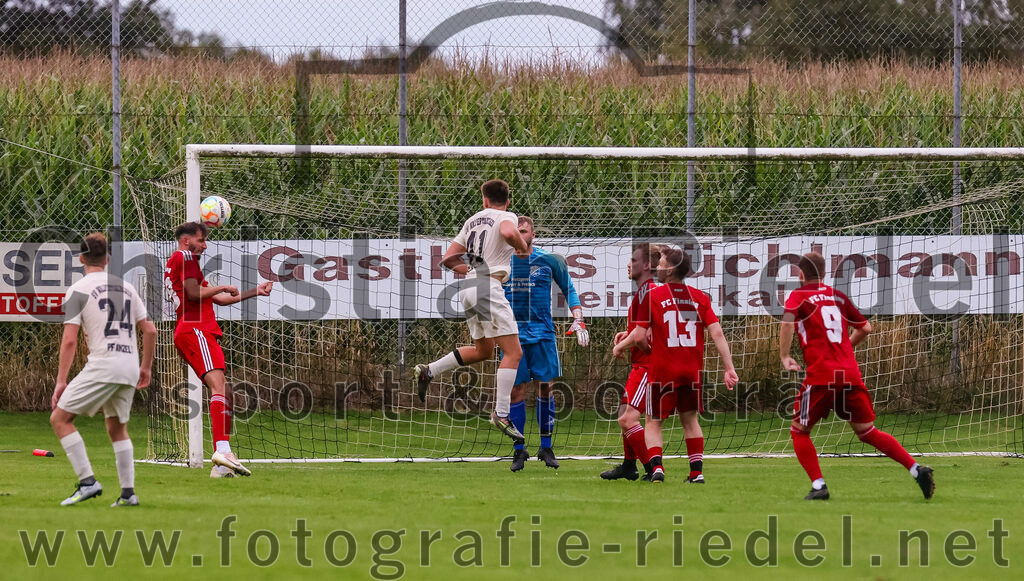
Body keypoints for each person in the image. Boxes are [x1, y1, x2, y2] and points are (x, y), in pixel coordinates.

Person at [780, 252, 935, 500]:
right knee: (867, 431)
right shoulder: (837, 295)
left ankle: (819, 486)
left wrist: (785, 356)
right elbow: (865, 327)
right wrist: (844, 349)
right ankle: (916, 469)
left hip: (822, 374)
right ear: (824, 274)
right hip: (849, 373)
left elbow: (787, 322)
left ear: (800, 275)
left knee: (799, 431)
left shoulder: (797, 296)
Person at [414, 179, 530, 443]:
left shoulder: (473, 220)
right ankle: (501, 413)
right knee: (514, 352)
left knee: (484, 351)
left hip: (469, 287)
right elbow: (511, 234)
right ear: (507, 201)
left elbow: (447, 259)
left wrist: (474, 271)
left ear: (485, 200)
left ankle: (429, 370)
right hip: (488, 287)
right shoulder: (506, 215)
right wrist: (522, 248)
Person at [615, 246, 738, 483]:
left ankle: (657, 468)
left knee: (654, 421)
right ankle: (696, 473)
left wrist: (652, 351)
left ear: (670, 270)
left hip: (663, 370)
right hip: (691, 371)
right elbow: (718, 334)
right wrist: (729, 368)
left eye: (660, 263)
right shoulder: (701, 297)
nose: (657, 267)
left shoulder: (653, 296)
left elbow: (640, 337)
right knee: (690, 420)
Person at [51, 232, 157, 506]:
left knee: (60, 419)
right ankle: (128, 494)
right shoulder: (126, 287)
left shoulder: (78, 289)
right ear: (108, 259)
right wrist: (145, 367)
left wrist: (61, 381)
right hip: (129, 366)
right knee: (117, 429)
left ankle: (88, 481)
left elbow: (70, 340)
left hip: (104, 365)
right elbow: (150, 330)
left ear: (81, 258)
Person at [164, 221, 273, 478]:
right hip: (195, 328)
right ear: (186, 240)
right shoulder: (186, 256)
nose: (204, 245)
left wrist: (254, 291)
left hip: (195, 329)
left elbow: (218, 300)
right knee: (220, 388)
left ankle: (221, 464)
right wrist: (221, 285)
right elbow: (193, 293)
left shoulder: (179, 260)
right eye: (201, 240)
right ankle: (222, 452)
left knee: (225, 391)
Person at [503, 216, 589, 471]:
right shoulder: (502, 260)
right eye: (516, 231)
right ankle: (519, 450)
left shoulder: (549, 260)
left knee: (545, 388)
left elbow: (569, 288)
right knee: (516, 391)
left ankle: (546, 447)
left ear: (533, 234)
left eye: (524, 231)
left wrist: (579, 319)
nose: (519, 235)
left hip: (542, 335)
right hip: (512, 337)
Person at [602, 243, 660, 481]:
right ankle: (629, 466)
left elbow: (643, 336)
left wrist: (620, 345)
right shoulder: (645, 291)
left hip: (648, 366)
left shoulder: (649, 292)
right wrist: (629, 335)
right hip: (643, 364)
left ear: (647, 265)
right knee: (627, 415)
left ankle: (652, 468)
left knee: (627, 419)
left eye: (633, 260)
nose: (628, 264)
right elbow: (645, 330)